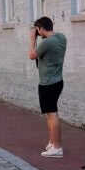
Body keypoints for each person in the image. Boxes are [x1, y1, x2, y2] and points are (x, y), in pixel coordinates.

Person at [28, 16, 66, 158]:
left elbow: (32, 55)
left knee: (52, 114)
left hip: (48, 83)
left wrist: (32, 39)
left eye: (38, 30)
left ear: (41, 29)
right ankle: (52, 142)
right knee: (50, 115)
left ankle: (57, 147)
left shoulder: (47, 43)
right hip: (57, 80)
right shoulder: (61, 38)